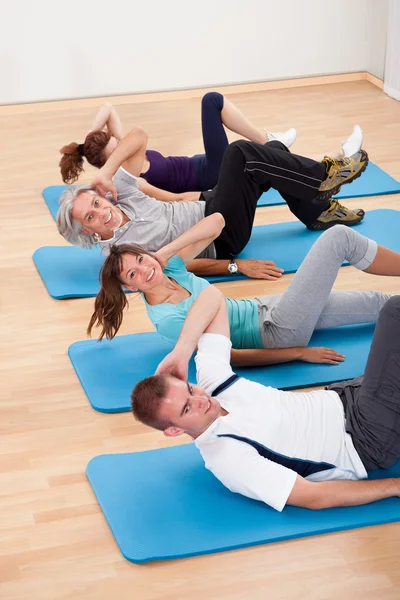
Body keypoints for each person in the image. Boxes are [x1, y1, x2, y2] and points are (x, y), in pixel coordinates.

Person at [131, 284, 400, 512]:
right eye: (187, 408)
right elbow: (312, 497)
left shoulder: (214, 383)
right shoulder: (227, 458)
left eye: (190, 389)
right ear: (175, 430)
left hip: (350, 394)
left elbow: (212, 296)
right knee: (394, 313)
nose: (200, 398)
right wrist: (395, 486)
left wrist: (182, 350)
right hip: (364, 437)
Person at [57, 122, 368, 279]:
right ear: (87, 231)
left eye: (95, 204)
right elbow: (182, 267)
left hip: (211, 202)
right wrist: (236, 266)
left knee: (271, 151)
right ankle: (321, 179)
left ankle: (317, 212)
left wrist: (108, 172)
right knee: (240, 153)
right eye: (90, 217)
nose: (101, 212)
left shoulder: (116, 195)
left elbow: (138, 135)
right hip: (221, 235)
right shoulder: (119, 254)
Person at [88, 217, 400, 368]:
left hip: (268, 307)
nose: (144, 270)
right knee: (338, 237)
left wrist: (165, 252)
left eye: (141, 259)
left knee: (380, 305)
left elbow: (217, 223)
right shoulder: (168, 319)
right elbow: (230, 357)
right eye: (133, 273)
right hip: (276, 331)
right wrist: (298, 353)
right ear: (130, 287)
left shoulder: (168, 268)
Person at [59, 94, 297, 202]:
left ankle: (272, 146)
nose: (122, 146)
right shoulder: (131, 175)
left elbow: (108, 107)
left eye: (118, 141)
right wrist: (210, 198)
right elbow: (173, 199)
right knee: (211, 101)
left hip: (202, 161)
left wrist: (91, 134)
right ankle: (267, 142)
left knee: (253, 157)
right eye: (116, 150)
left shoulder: (125, 148)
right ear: (110, 164)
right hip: (212, 175)